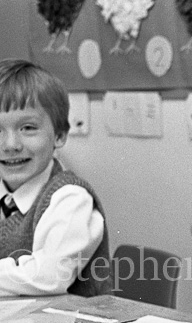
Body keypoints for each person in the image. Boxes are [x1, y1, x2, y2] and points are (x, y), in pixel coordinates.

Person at [0, 59, 111, 297]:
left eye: (28, 128)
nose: (10, 145)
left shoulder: (70, 198)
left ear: (59, 136)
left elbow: (49, 276)